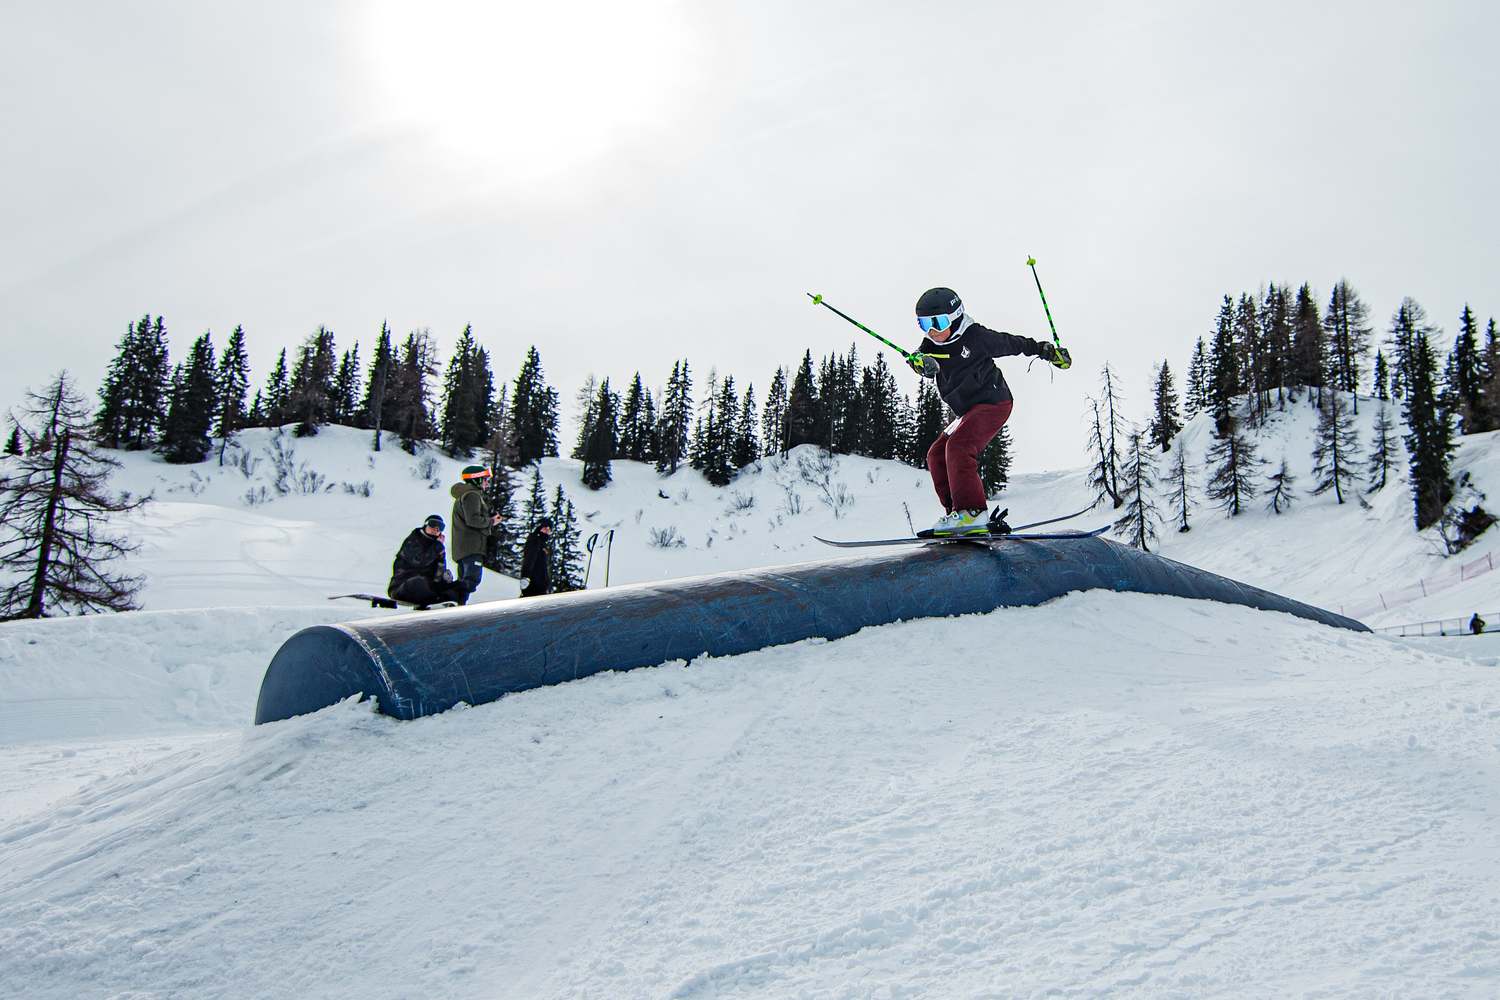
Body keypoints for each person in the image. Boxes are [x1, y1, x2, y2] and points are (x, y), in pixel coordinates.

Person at [906, 286, 1071, 536]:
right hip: (966, 412)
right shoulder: (930, 345)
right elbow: (918, 359)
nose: (932, 331)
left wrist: (1045, 350)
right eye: (924, 324)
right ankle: (957, 515)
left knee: (959, 446)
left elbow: (1012, 343)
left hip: (993, 402)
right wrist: (918, 363)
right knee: (936, 454)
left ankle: (971, 512)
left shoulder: (976, 337)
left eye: (938, 323)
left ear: (955, 317)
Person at [388, 514, 468, 608]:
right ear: (426, 525)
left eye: (440, 527)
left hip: (428, 587)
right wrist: (437, 546)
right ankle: (437, 599)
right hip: (403, 586)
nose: (436, 529)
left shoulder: (437, 547)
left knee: (462, 586)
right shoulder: (413, 540)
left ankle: (449, 604)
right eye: (433, 524)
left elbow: (437, 575)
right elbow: (420, 562)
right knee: (418, 582)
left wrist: (444, 577)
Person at [450, 464, 503, 600]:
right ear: (476, 479)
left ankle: (455, 605)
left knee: (466, 580)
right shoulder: (472, 495)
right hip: (471, 547)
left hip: (465, 547)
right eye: (485, 480)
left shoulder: (466, 495)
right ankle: (448, 601)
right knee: (471, 580)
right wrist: (491, 521)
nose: (487, 483)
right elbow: (473, 520)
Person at [519, 517, 553, 597]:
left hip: (540, 585)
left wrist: (547, 583)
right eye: (545, 527)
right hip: (533, 584)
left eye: (549, 529)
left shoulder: (543, 544)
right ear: (539, 527)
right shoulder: (535, 540)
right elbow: (529, 558)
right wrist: (526, 576)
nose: (547, 530)